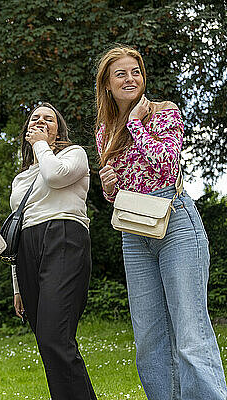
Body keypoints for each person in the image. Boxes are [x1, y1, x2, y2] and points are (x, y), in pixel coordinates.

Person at [95, 45, 227, 400]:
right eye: (120, 73)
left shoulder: (164, 112)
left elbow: (166, 164)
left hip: (177, 224)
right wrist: (108, 187)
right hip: (135, 234)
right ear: (107, 84)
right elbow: (121, 187)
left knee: (190, 337)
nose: (130, 78)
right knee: (149, 342)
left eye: (135, 71)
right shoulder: (104, 130)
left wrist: (136, 123)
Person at [10, 103, 96, 400]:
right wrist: (17, 285)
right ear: (26, 132)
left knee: (55, 337)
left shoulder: (74, 155)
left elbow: (56, 176)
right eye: (35, 118)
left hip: (63, 236)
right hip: (28, 248)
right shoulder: (22, 176)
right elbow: (16, 229)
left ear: (58, 128)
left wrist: (42, 146)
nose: (41, 121)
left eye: (49, 118)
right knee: (46, 341)